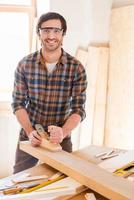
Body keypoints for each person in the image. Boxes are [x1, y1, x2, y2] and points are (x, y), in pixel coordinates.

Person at [12, 12, 87, 173]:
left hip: (61, 137)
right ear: (39, 33)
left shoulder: (76, 68)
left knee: (63, 184)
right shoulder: (24, 65)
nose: (51, 35)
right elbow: (18, 104)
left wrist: (63, 132)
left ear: (63, 33)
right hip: (30, 135)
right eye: (45, 30)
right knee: (18, 183)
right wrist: (30, 131)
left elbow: (78, 110)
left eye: (56, 30)